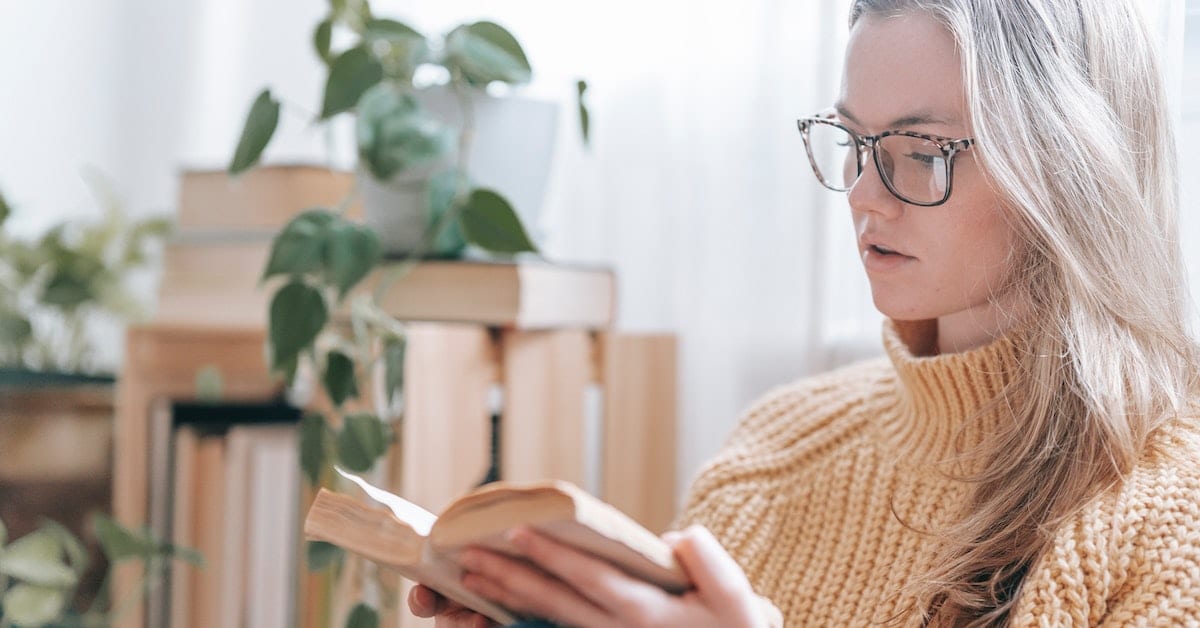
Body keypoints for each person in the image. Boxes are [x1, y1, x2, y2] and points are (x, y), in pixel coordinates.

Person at [408, 0, 1200, 625]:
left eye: (922, 153)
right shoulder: (774, 452)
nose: (863, 194)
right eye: (852, 140)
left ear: (1070, 169)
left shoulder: (1168, 514)